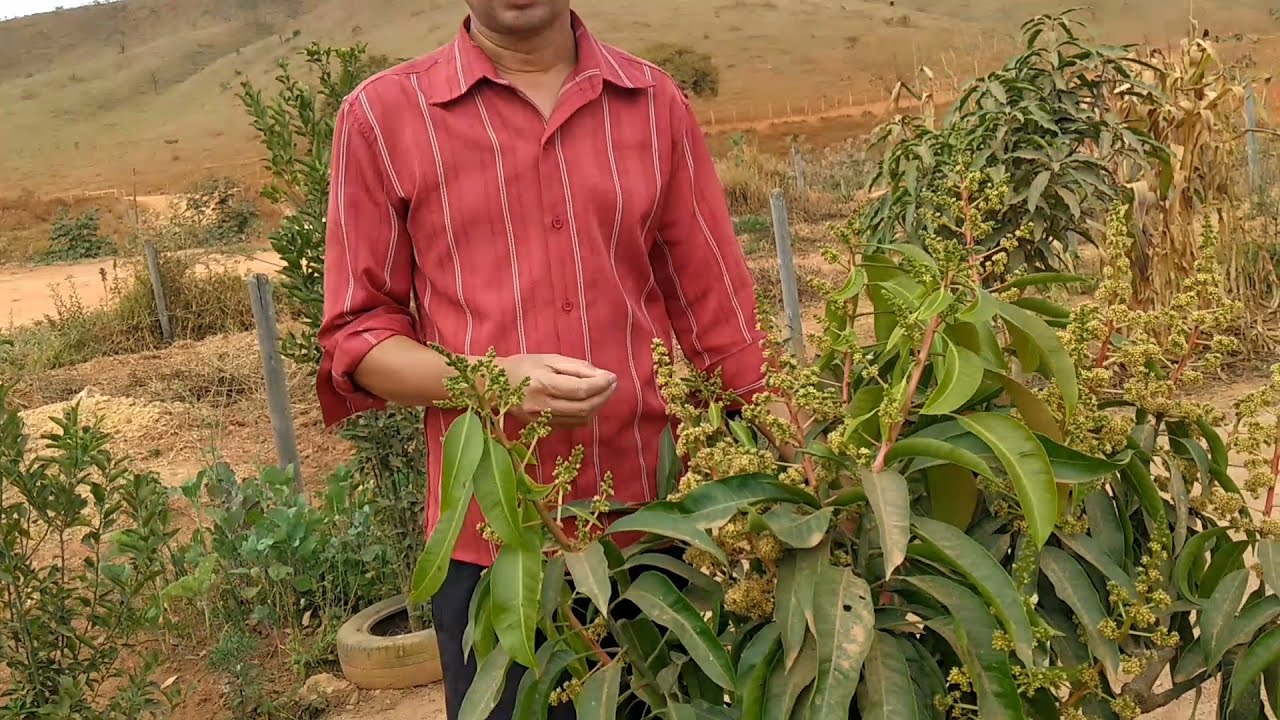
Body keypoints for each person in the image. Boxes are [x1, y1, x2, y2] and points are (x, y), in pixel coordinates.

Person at [316, 1, 768, 717]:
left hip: (651, 537)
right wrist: (492, 382)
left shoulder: (654, 104)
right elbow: (358, 341)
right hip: (495, 551)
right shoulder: (383, 116)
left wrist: (810, 467)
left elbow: (721, 321)